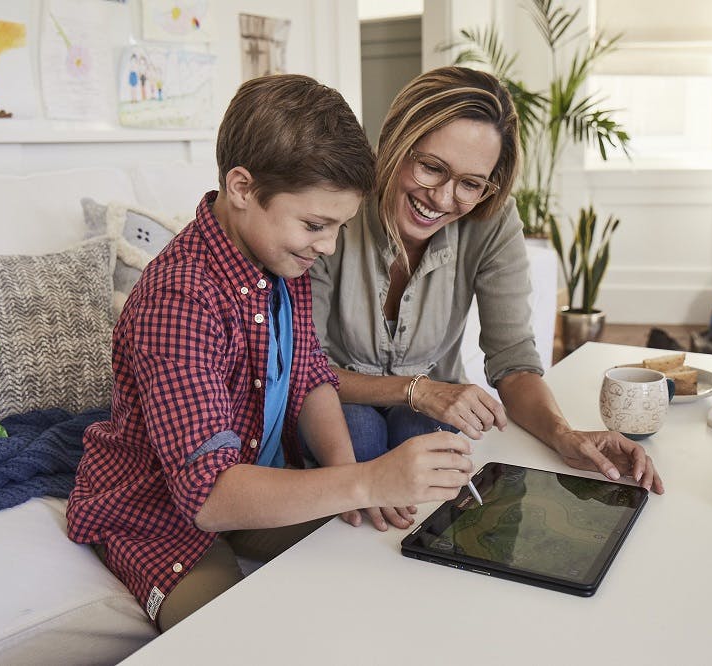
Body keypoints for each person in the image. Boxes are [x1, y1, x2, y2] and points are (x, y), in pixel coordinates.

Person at [66, 74, 474, 632]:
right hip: (161, 516)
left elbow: (310, 375)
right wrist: (367, 481)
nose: (328, 245)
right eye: (315, 224)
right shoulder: (178, 300)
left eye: (338, 227)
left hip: (257, 481)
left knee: (391, 565)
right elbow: (208, 496)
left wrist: (347, 472)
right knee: (245, 638)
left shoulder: (282, 260)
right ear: (241, 188)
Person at [310, 66, 664, 495]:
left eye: (470, 184)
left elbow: (513, 361)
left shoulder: (492, 220)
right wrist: (418, 390)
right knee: (361, 429)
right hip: (332, 395)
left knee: (420, 430)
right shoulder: (335, 205)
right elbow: (303, 370)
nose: (442, 198)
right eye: (431, 167)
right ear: (395, 143)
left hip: (425, 409)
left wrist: (562, 435)